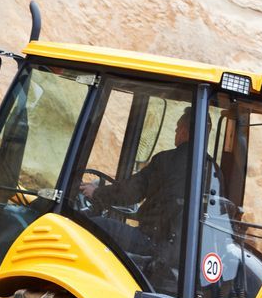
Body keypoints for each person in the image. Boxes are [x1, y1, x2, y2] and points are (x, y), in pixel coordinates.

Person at [78, 107, 194, 256]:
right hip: (180, 253)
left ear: (184, 132)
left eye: (177, 129)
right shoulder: (212, 170)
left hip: (152, 242)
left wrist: (97, 192)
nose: (176, 133)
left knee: (89, 226)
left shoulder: (167, 161)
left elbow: (131, 192)